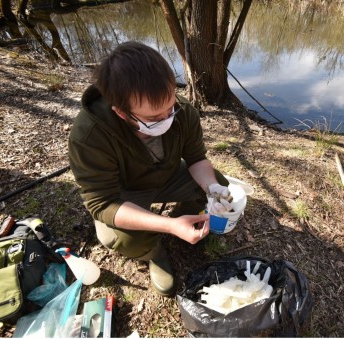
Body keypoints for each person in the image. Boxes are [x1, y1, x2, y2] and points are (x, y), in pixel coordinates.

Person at [68, 41, 231, 296]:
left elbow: (197, 159)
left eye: (170, 108)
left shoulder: (183, 111)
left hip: (166, 175)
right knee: (121, 238)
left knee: (217, 184)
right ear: (122, 113)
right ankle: (155, 252)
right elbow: (103, 203)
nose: (167, 118)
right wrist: (168, 225)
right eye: (154, 118)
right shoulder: (89, 135)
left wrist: (213, 189)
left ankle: (191, 222)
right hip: (125, 192)